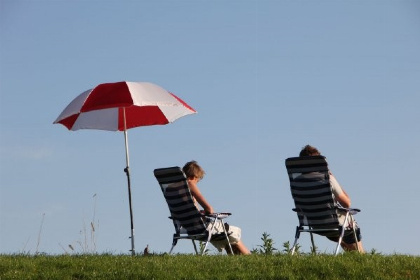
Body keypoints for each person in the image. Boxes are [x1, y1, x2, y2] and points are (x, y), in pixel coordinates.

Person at [299, 145, 365, 253]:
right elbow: (347, 203)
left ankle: (352, 253)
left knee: (344, 238)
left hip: (313, 224)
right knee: (351, 223)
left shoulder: (298, 181)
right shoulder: (327, 179)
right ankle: (361, 257)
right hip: (333, 223)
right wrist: (333, 178)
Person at [182, 160, 251, 255]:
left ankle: (237, 263)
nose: (197, 183)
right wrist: (207, 212)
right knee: (234, 235)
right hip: (200, 227)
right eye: (197, 180)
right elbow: (209, 210)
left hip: (186, 227)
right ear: (194, 176)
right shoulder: (190, 184)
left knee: (225, 237)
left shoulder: (173, 189)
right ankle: (250, 259)